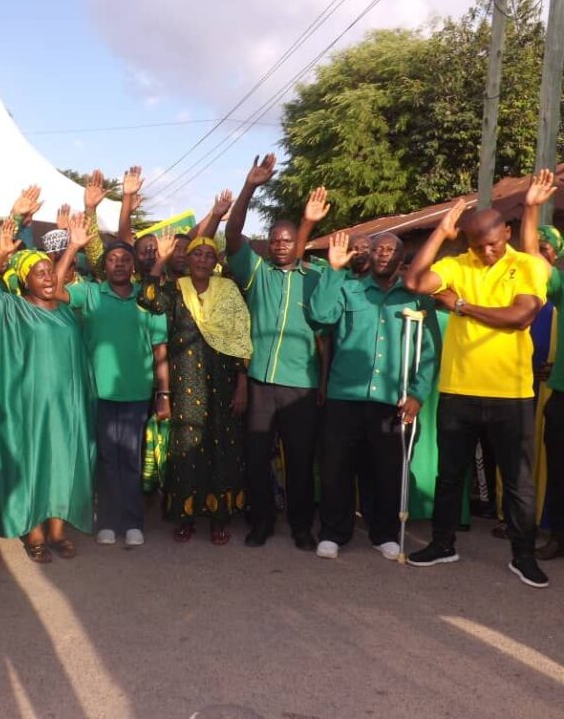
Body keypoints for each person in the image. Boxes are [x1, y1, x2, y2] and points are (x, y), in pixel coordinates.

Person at [403, 198, 548, 588]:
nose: (486, 252)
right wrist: (440, 232)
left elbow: (520, 317)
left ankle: (523, 556)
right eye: (477, 245)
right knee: (450, 475)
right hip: (458, 390)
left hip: (511, 393)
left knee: (518, 481)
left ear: (507, 233)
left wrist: (462, 306)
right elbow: (414, 282)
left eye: (493, 244)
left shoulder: (528, 265)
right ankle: (442, 544)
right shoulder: (456, 265)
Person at [0, 211, 96, 563]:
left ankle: (58, 531)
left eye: (49, 272)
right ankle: (35, 533)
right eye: (38, 273)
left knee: (63, 462)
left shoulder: (64, 309)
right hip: (31, 405)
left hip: (67, 404)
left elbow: (58, 281)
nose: (47, 278)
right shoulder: (14, 308)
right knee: (34, 466)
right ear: (24, 280)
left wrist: (72, 248)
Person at [307, 231, 437, 560]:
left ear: (401, 259)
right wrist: (333, 270)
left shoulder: (416, 298)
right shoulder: (349, 288)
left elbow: (428, 351)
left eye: (390, 250)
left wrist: (418, 393)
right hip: (345, 396)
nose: (382, 254)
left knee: (386, 471)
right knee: (336, 468)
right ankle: (333, 532)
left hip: (391, 399)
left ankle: (384, 533)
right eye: (378, 249)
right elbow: (320, 317)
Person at [221, 155, 327, 550]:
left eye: (288, 240)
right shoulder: (256, 272)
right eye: (276, 240)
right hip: (261, 383)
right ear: (268, 243)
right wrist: (250, 186)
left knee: (300, 459)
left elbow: (324, 338)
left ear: (298, 244)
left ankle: (301, 526)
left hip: (301, 385)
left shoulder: (315, 278)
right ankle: (260, 522)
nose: (282, 245)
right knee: (256, 456)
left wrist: (323, 384)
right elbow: (232, 233)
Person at [53, 214, 169, 548]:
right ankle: (107, 520)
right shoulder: (90, 293)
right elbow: (54, 290)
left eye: (125, 259)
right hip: (97, 391)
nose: (119, 264)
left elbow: (160, 348)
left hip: (135, 391)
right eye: (112, 259)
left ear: (134, 266)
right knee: (105, 458)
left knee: (130, 458)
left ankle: (132, 522)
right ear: (104, 266)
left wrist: (164, 393)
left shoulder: (147, 298)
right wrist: (73, 246)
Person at [137, 226, 252, 544]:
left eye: (208, 255)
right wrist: (159, 261)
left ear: (216, 261)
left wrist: (242, 384)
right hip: (186, 381)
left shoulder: (229, 290)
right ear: (187, 259)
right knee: (186, 449)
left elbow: (241, 337)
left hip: (225, 383)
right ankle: (185, 516)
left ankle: (219, 518)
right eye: (196, 254)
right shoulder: (175, 290)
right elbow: (147, 300)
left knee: (223, 449)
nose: (202, 260)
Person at [519, 169, 564, 561]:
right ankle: (558, 537)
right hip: (562, 397)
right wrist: (531, 209)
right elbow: (533, 260)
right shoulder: (562, 284)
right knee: (560, 470)